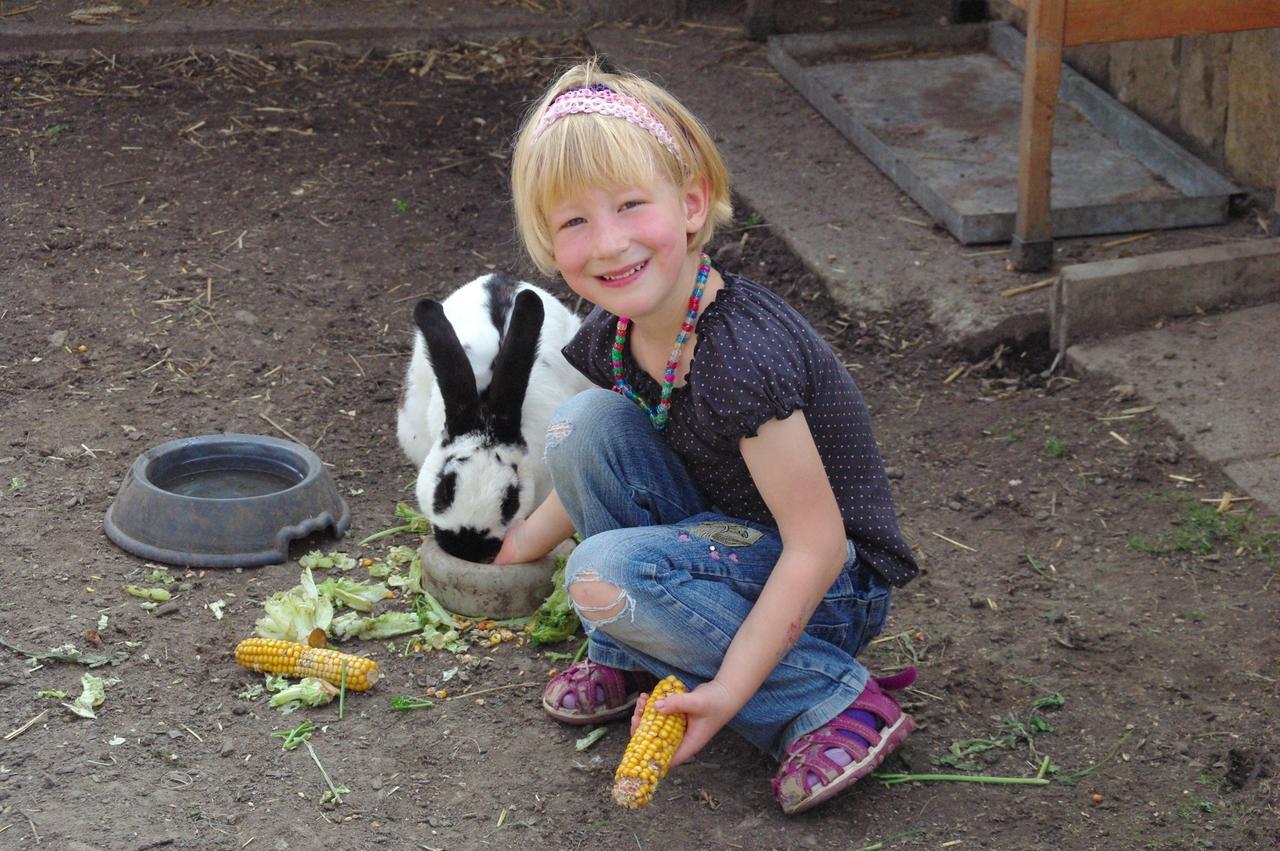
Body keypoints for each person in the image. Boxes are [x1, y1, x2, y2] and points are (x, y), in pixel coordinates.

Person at [495, 58, 919, 814]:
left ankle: (828, 700)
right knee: (582, 422)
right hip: (724, 547)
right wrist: (518, 545)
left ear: (692, 205)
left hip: (830, 582)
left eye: (630, 204)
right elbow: (593, 461)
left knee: (599, 575)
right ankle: (629, 651)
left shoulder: (739, 359)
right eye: (574, 221)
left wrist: (727, 691)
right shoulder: (618, 330)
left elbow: (816, 546)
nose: (608, 243)